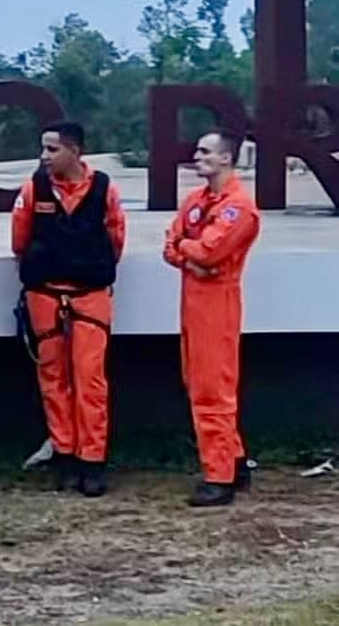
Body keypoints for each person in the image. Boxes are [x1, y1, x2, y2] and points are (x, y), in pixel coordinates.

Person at [12, 121, 125, 497]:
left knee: (90, 380)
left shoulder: (105, 189)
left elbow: (115, 236)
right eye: (42, 149)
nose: (44, 157)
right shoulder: (33, 189)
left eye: (52, 149)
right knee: (53, 379)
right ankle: (64, 456)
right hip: (44, 294)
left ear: (75, 151)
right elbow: (20, 239)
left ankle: (92, 460)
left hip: (90, 295)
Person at [164, 128, 260, 507]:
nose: (197, 155)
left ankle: (218, 477)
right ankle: (233, 461)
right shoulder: (195, 200)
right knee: (197, 382)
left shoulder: (239, 206)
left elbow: (209, 250)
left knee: (212, 391)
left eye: (205, 151)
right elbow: (170, 248)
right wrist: (190, 255)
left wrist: (188, 251)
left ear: (226, 158)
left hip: (218, 304)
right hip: (193, 299)